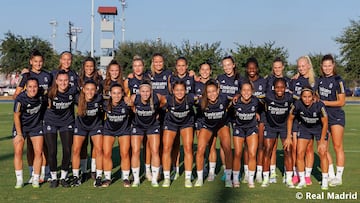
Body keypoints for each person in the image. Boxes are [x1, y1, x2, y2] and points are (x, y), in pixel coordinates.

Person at [14, 49, 52, 184]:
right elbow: (16, 96)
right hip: (29, 117)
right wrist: (29, 93)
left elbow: (51, 95)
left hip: (43, 116)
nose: (38, 64)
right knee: (30, 148)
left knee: (43, 147)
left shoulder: (48, 76)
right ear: (31, 62)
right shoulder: (26, 76)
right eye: (35, 61)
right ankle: (32, 174)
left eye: (40, 61)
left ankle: (45, 173)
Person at [284, 87, 329, 190]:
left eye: (309, 97)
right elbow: (290, 119)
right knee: (299, 153)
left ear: (313, 97)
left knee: (323, 152)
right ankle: (302, 180)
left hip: (319, 129)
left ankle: (325, 180)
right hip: (305, 128)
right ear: (301, 97)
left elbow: (325, 122)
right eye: (304, 97)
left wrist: (322, 141)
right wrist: (288, 136)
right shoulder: (297, 104)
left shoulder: (319, 105)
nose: (307, 99)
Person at [195, 79, 233, 188]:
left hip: (222, 125)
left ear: (218, 91)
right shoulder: (201, 101)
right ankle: (200, 177)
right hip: (207, 126)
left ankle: (228, 177)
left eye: (214, 91)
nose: (212, 94)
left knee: (227, 149)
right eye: (209, 92)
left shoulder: (224, 98)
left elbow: (236, 99)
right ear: (205, 93)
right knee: (200, 149)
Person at [129, 80, 166, 187]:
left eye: (147, 91)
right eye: (143, 91)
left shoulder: (157, 97)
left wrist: (158, 112)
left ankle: (154, 179)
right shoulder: (134, 98)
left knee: (155, 151)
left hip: (152, 126)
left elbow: (163, 102)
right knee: (135, 151)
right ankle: (136, 179)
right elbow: (132, 108)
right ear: (139, 91)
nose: (145, 93)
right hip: (138, 126)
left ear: (151, 91)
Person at [44, 70, 78, 188]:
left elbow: (82, 102)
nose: (63, 83)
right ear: (56, 81)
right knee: (52, 151)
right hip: (50, 122)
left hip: (67, 123)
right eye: (61, 80)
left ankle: (63, 177)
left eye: (66, 80)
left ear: (69, 81)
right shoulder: (49, 92)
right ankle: (54, 178)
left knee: (67, 150)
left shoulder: (73, 91)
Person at [317, 54, 346, 186]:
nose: (327, 68)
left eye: (329, 65)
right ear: (321, 67)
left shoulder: (338, 80)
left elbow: (342, 101)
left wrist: (325, 103)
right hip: (324, 117)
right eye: (325, 66)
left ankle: (339, 177)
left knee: (337, 146)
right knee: (324, 147)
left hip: (336, 116)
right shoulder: (320, 80)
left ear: (333, 65)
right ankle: (331, 174)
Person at [289, 55, 317, 186]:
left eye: (303, 65)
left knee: (309, 148)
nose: (301, 68)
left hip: (310, 119)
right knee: (296, 148)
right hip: (296, 118)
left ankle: (307, 175)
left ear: (309, 66)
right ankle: (296, 173)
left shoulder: (314, 81)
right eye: (299, 66)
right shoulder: (294, 80)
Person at [261, 78, 294, 188]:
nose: (280, 89)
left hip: (284, 127)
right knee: (267, 151)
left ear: (285, 88)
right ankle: (266, 179)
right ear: (274, 88)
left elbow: (303, 98)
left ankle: (289, 179)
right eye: (277, 87)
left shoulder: (290, 97)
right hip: (271, 127)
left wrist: (315, 96)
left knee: (288, 151)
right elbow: (252, 96)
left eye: (282, 87)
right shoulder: (267, 96)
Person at [162, 81, 195, 188]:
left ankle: (188, 178)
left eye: (182, 90)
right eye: (177, 90)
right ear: (172, 91)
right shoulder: (167, 99)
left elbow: (203, 99)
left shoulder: (190, 98)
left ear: (185, 91)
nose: (179, 92)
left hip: (186, 123)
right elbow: (157, 103)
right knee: (166, 148)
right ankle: (167, 178)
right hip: (170, 123)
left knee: (188, 148)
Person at [13, 77, 45, 188]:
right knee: (18, 151)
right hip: (21, 127)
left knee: (38, 152)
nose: (33, 89)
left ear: (38, 87)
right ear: (26, 88)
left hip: (36, 126)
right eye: (30, 87)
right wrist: (19, 134)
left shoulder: (42, 96)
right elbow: (16, 116)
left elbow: (49, 105)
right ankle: (20, 180)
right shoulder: (20, 99)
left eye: (35, 86)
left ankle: (36, 178)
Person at [71, 80, 104, 187]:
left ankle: (98, 177)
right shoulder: (77, 98)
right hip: (80, 127)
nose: (90, 92)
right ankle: (76, 176)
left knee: (99, 150)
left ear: (96, 90)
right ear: (83, 90)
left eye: (92, 89)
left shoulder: (99, 98)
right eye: (87, 89)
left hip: (96, 126)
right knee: (76, 150)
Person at [216, 56, 244, 182]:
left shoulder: (240, 79)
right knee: (224, 144)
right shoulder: (220, 79)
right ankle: (227, 170)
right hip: (224, 114)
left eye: (229, 64)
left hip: (237, 114)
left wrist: (238, 95)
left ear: (233, 65)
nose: (227, 67)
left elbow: (246, 92)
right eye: (224, 65)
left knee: (238, 146)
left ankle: (237, 171)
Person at [264, 57, 291, 183]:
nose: (277, 70)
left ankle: (288, 174)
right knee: (272, 148)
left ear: (283, 67)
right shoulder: (268, 80)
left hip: (285, 121)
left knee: (288, 149)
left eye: (279, 67)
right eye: (275, 67)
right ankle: (272, 173)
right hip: (271, 120)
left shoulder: (289, 81)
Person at [77, 57, 103, 181]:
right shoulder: (79, 80)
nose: (89, 68)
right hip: (82, 120)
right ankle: (83, 170)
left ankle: (94, 170)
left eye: (91, 66)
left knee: (96, 146)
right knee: (82, 146)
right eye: (87, 66)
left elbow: (103, 98)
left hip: (96, 120)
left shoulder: (99, 79)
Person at [102, 83, 132, 187]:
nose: (116, 95)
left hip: (124, 130)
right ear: (110, 94)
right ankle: (107, 178)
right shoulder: (105, 104)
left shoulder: (127, 103)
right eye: (114, 93)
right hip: (109, 130)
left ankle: (126, 178)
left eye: (119, 93)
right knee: (106, 153)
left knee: (124, 153)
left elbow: (134, 113)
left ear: (123, 93)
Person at [231, 81, 259, 188]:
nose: (246, 92)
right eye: (244, 90)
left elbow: (262, 109)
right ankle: (235, 178)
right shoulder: (235, 102)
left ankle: (250, 179)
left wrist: (256, 114)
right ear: (240, 91)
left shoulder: (256, 101)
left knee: (252, 154)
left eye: (249, 90)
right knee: (238, 153)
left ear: (252, 91)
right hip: (239, 129)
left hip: (252, 128)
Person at [244, 57, 267, 184]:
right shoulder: (243, 81)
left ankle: (259, 172)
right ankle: (247, 172)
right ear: (247, 69)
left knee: (260, 145)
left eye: (254, 67)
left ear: (257, 68)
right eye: (249, 67)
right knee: (247, 147)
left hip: (261, 116)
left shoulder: (263, 81)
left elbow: (266, 99)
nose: (252, 70)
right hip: (247, 117)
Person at [194, 62, 216, 181]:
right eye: (203, 69)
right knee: (201, 147)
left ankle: (212, 172)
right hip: (200, 118)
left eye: (207, 69)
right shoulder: (195, 84)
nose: (205, 72)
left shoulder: (214, 84)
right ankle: (202, 170)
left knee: (212, 146)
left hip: (212, 118)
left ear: (210, 71)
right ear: (199, 70)